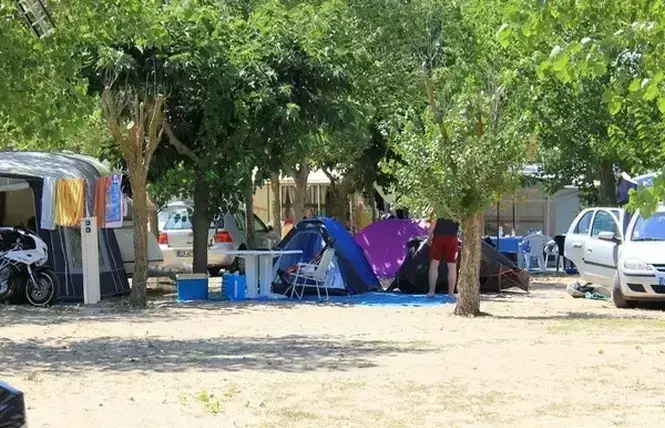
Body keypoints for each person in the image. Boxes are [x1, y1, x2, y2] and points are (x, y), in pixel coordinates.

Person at [426, 216, 459, 299]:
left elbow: (434, 220)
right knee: (452, 265)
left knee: (434, 263)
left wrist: (429, 235)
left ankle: (431, 291)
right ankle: (451, 293)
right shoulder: (457, 208)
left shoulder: (439, 207)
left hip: (438, 237)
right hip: (452, 237)